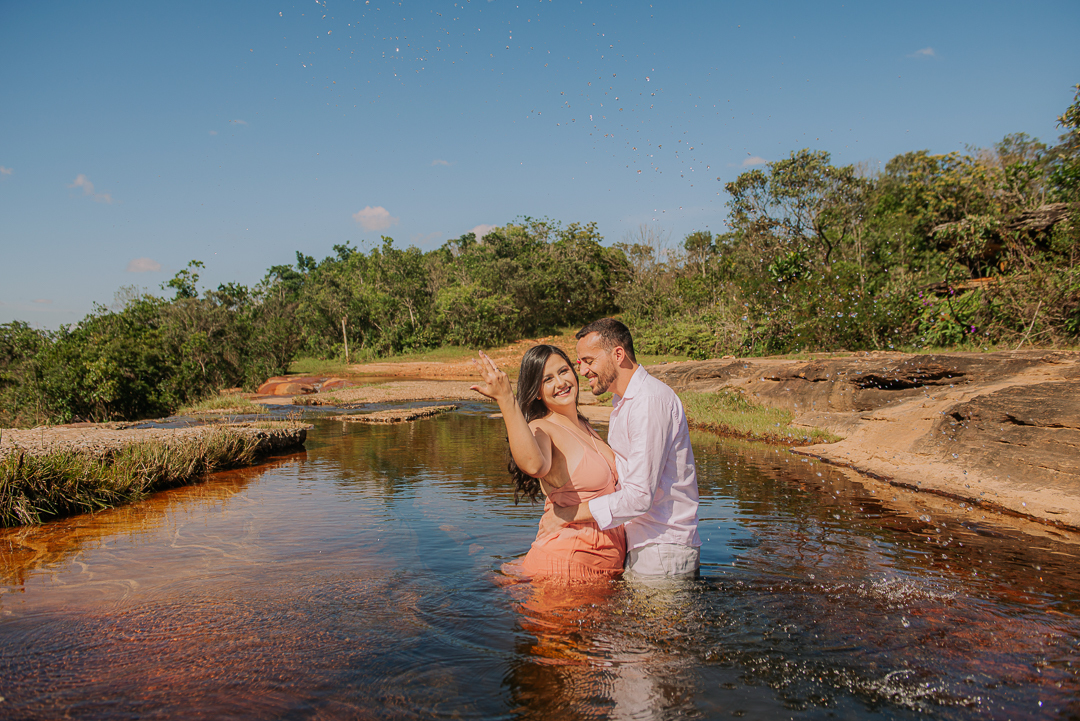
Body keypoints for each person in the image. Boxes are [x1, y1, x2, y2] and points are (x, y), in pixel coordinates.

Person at [553, 318, 701, 578]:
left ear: (618, 354)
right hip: (645, 543)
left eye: (589, 361)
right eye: (580, 362)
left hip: (661, 548)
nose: (583, 371)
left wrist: (570, 514)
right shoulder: (624, 401)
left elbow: (639, 496)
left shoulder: (648, 403)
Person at [471, 344, 626, 580]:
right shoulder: (541, 428)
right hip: (568, 567)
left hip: (603, 565)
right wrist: (507, 400)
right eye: (548, 379)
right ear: (536, 391)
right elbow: (534, 465)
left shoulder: (584, 425)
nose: (561, 383)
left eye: (563, 371)